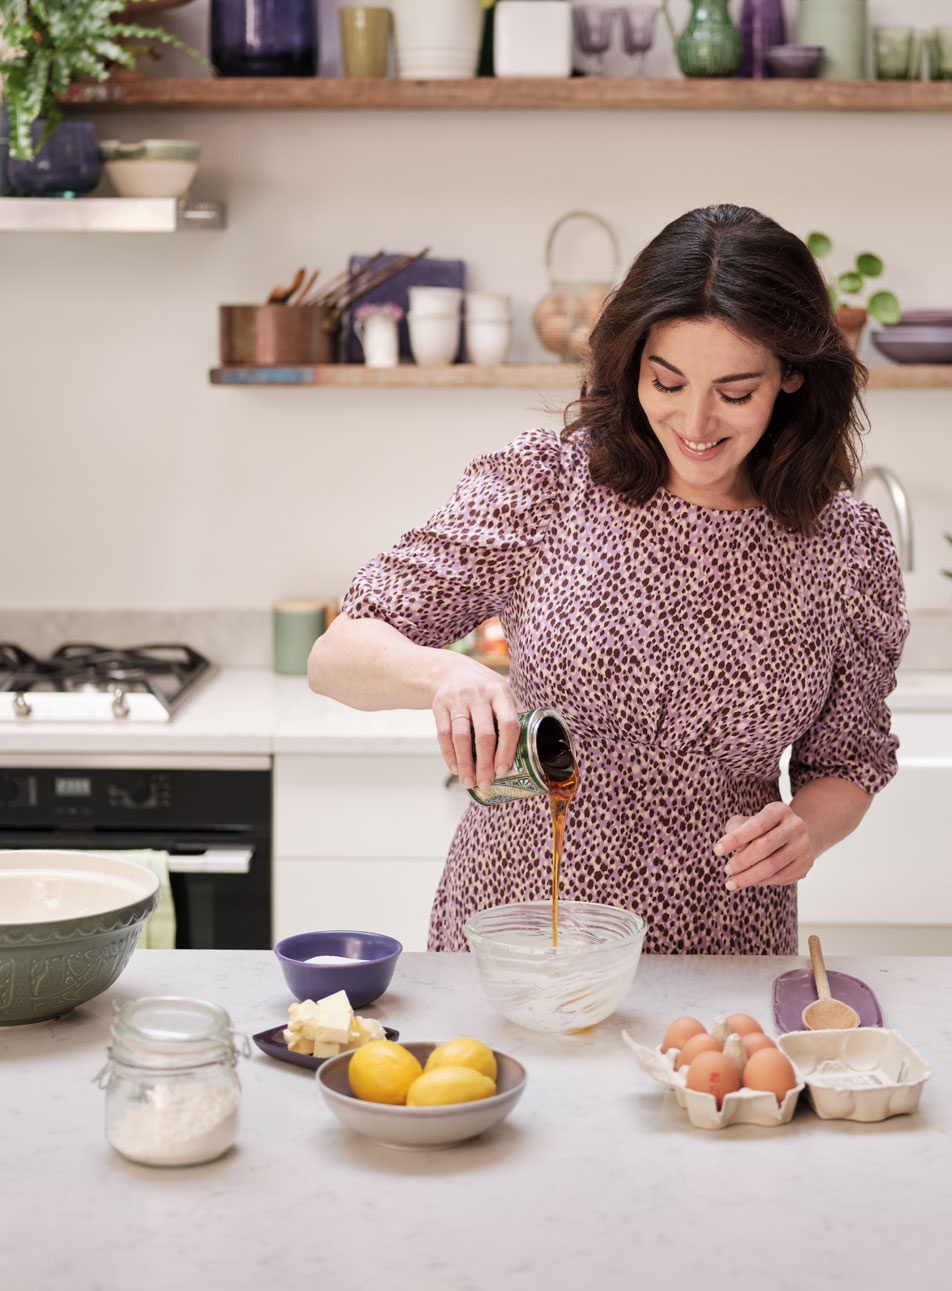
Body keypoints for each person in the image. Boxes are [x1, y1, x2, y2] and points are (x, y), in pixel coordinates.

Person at [308, 203, 909, 955]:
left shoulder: (844, 547)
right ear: (633, 364)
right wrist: (442, 676)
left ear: (791, 375)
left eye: (735, 391)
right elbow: (334, 655)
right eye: (667, 381)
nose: (696, 421)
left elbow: (847, 763)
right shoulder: (549, 486)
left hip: (721, 947)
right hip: (519, 933)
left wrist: (808, 828)